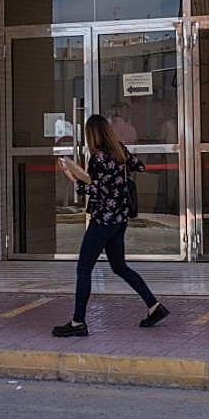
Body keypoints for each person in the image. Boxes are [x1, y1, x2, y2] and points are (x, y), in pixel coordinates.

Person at [53, 114, 168, 337]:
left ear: (91, 134)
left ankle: (78, 322)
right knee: (119, 267)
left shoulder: (98, 158)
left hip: (102, 221)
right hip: (119, 219)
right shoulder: (120, 150)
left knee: (84, 269)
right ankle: (154, 306)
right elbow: (140, 167)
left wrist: (73, 177)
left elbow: (97, 190)